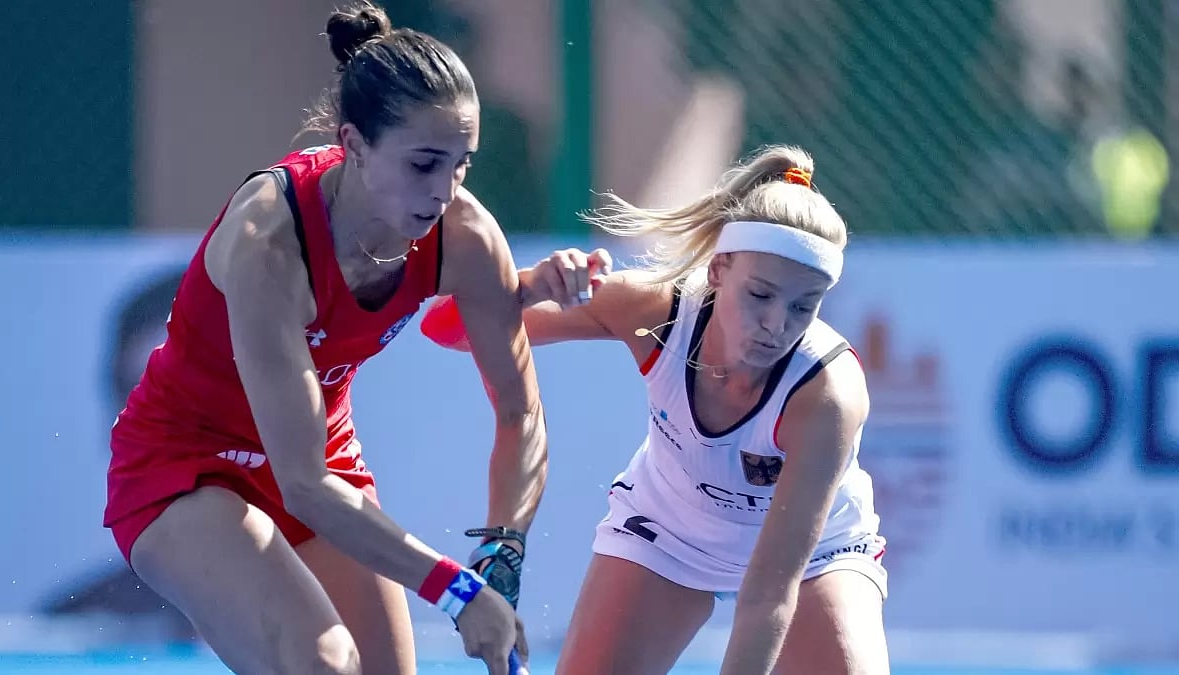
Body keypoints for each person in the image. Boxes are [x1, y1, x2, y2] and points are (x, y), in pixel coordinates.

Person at [103, 4, 543, 674]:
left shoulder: (468, 239)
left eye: (461, 165)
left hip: (318, 460)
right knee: (322, 663)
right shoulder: (269, 243)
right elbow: (303, 485)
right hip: (183, 467)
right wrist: (458, 589)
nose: (445, 192)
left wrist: (503, 548)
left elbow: (519, 413)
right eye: (424, 163)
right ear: (355, 144)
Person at [422, 145, 890, 674]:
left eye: (803, 306)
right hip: (666, 534)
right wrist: (529, 286)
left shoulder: (827, 392)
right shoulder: (652, 312)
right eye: (760, 295)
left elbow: (768, 593)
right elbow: (448, 330)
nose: (776, 324)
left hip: (817, 559)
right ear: (718, 270)